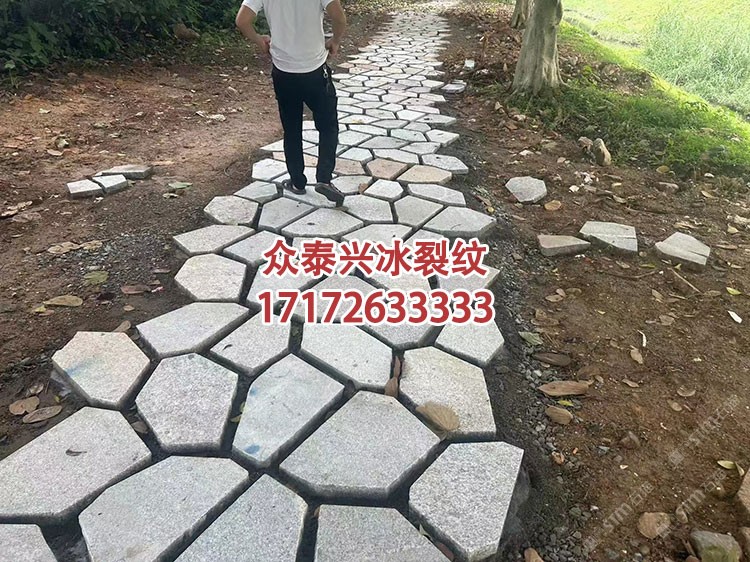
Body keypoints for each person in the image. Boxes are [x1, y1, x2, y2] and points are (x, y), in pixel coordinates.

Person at [236, 0, 347, 206]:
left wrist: (259, 40)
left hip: (283, 71)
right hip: (315, 70)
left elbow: (242, 20)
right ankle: (324, 179)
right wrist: (335, 40)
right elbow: (339, 17)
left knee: (292, 128)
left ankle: (297, 181)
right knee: (328, 126)